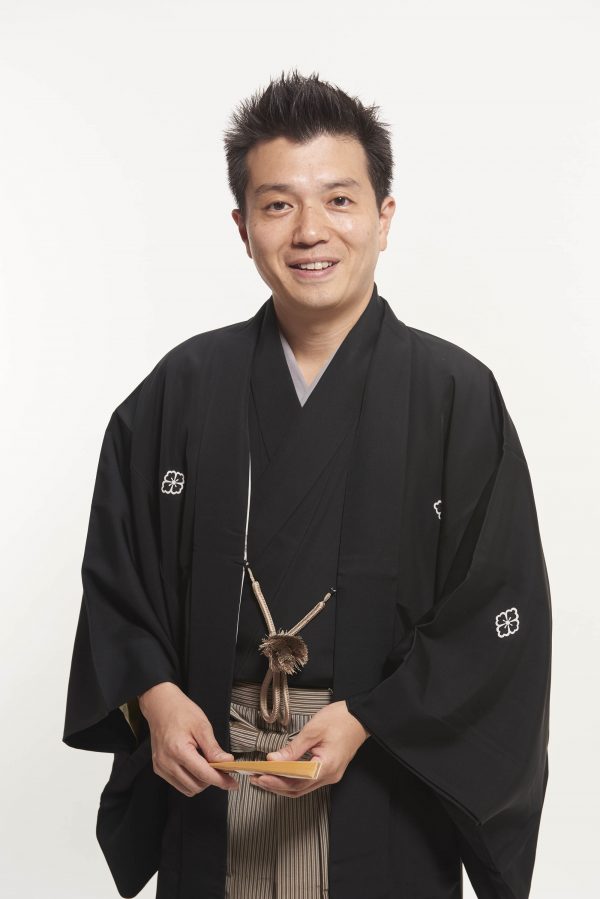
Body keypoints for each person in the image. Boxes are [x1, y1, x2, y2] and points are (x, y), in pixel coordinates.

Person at [62, 70, 552, 899]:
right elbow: (118, 576)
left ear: (384, 217)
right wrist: (155, 697)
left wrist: (366, 718)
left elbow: (498, 613)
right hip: (211, 780)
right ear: (243, 226)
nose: (310, 231)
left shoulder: (455, 397)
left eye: (339, 200)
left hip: (382, 788)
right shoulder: (180, 389)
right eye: (278, 204)